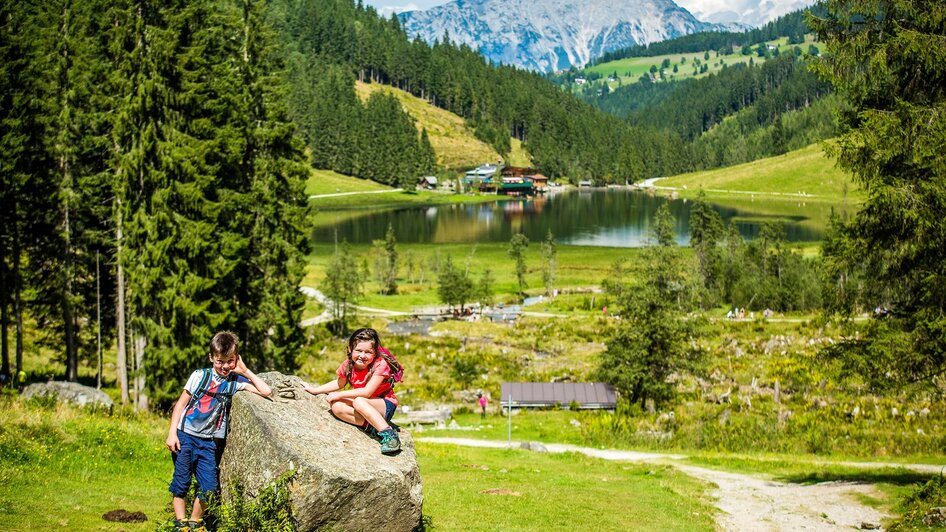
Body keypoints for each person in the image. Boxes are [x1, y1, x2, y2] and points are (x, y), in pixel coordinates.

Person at [165, 331, 273, 532]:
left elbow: (266, 391)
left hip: (208, 442)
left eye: (230, 361)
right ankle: (180, 525)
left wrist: (245, 371)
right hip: (185, 436)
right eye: (220, 361)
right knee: (181, 483)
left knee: (209, 487)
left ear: (236, 358)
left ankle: (195, 523)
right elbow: (180, 405)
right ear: (211, 358)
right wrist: (172, 434)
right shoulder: (199, 376)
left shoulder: (235, 382)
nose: (225, 366)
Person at [304, 328, 401, 455]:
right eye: (358, 350)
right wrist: (315, 390)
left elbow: (366, 392)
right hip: (364, 404)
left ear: (375, 352)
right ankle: (372, 426)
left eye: (368, 352)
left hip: (384, 405)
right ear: (350, 349)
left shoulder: (380, 365)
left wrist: (339, 394)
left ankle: (390, 435)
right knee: (336, 406)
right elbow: (339, 383)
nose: (362, 355)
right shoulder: (348, 365)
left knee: (359, 401)